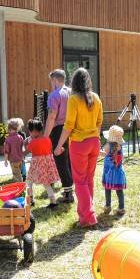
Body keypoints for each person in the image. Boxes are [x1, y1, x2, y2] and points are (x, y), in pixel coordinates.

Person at [54, 68, 103, 227]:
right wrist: (96, 139)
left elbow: (68, 125)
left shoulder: (74, 99)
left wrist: (59, 145)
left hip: (79, 145)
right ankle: (84, 215)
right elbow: (99, 122)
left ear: (74, 82)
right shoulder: (96, 98)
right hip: (94, 142)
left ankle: (88, 217)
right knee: (88, 179)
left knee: (80, 181)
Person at [44, 69, 74, 203]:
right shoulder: (71, 92)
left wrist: (45, 136)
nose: (51, 83)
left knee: (60, 160)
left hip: (58, 129)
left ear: (55, 80)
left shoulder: (54, 95)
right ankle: (70, 188)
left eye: (51, 81)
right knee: (68, 158)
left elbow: (51, 117)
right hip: (71, 128)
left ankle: (68, 193)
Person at [25, 119, 60, 209]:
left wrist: (25, 144)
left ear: (35, 131)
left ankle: (30, 200)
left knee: (29, 181)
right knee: (46, 183)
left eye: (30, 131)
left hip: (37, 165)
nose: (30, 134)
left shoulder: (33, 142)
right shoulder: (47, 139)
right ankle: (53, 202)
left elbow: (26, 151)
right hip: (47, 163)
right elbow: (50, 150)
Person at [101, 125, 127, 216]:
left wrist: (95, 151)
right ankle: (121, 208)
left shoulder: (108, 145)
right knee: (119, 190)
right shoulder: (119, 146)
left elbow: (104, 154)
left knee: (107, 189)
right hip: (118, 172)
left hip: (109, 172)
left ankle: (107, 206)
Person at [3, 118, 26, 182]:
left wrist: (5, 160)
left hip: (13, 160)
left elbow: (6, 151)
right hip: (20, 159)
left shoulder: (8, 139)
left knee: (16, 174)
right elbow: (23, 148)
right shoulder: (20, 137)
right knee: (18, 172)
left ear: (9, 128)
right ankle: (17, 181)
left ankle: (20, 185)